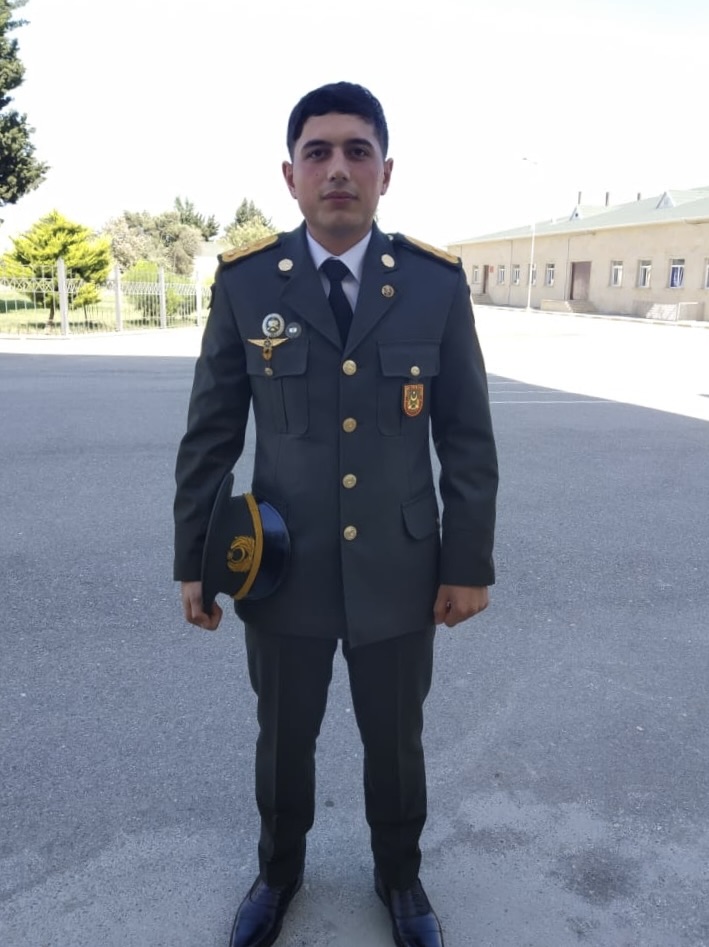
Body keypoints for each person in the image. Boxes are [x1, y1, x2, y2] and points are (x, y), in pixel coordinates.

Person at [174, 81, 498, 947]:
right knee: (283, 739)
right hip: (280, 566)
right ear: (290, 175)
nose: (338, 169)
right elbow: (211, 433)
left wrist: (467, 563)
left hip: (401, 566)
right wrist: (195, 563)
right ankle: (278, 872)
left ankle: (400, 877)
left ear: (386, 172)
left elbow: (466, 435)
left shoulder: (432, 285)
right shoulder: (247, 283)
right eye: (317, 152)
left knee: (396, 741)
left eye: (358, 151)